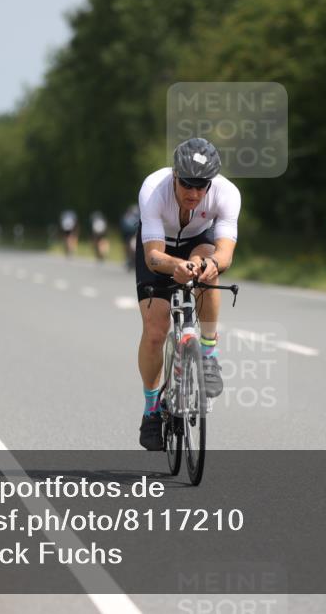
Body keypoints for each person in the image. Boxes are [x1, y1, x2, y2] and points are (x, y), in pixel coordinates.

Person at [135, 137, 241, 451]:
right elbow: (153, 257)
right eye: (187, 185)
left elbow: (225, 253)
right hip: (161, 248)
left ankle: (208, 355)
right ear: (174, 177)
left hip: (199, 242)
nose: (194, 193)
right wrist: (176, 266)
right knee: (155, 331)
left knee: (210, 270)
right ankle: (151, 408)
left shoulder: (227, 194)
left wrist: (206, 264)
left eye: (201, 186)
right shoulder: (154, 190)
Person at [120, 204, 141, 271]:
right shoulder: (126, 218)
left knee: (133, 246)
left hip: (136, 236)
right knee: (128, 246)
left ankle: (134, 261)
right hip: (129, 236)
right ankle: (129, 260)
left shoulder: (139, 217)